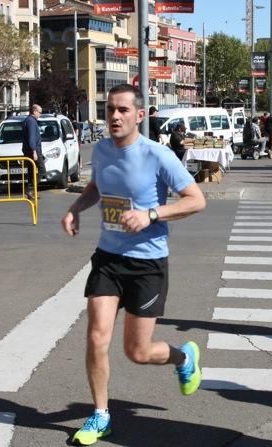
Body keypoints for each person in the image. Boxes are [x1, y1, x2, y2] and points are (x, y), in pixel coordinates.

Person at [61, 84, 206, 446]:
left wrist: (152, 214)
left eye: (123, 110)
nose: (114, 116)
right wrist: (76, 209)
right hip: (109, 258)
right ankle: (100, 414)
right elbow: (98, 186)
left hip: (147, 263)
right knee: (96, 336)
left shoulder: (157, 155)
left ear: (140, 116)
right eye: (110, 109)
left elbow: (196, 200)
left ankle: (182, 357)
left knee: (138, 352)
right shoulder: (102, 149)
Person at [21, 104, 43, 200]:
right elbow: (31, 137)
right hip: (33, 150)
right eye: (40, 112)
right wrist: (34, 151)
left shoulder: (28, 120)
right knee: (42, 170)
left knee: (31, 171)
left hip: (28, 149)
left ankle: (31, 191)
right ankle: (30, 189)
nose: (40, 115)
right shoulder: (31, 122)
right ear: (34, 111)